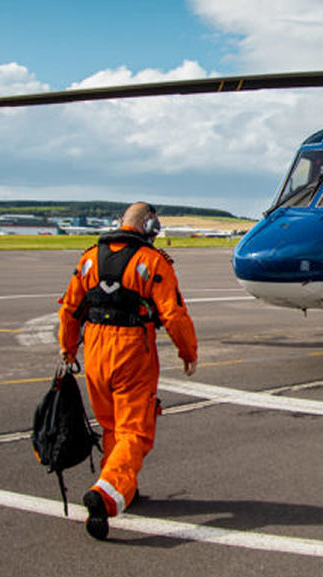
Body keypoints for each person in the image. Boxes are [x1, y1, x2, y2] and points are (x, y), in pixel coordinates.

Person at [57, 202, 198, 540]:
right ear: (149, 226)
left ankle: (124, 488)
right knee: (135, 431)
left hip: (95, 350)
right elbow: (174, 315)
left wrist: (68, 347)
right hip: (132, 349)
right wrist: (188, 351)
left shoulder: (89, 257)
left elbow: (69, 308)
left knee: (111, 426)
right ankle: (106, 493)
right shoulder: (151, 261)